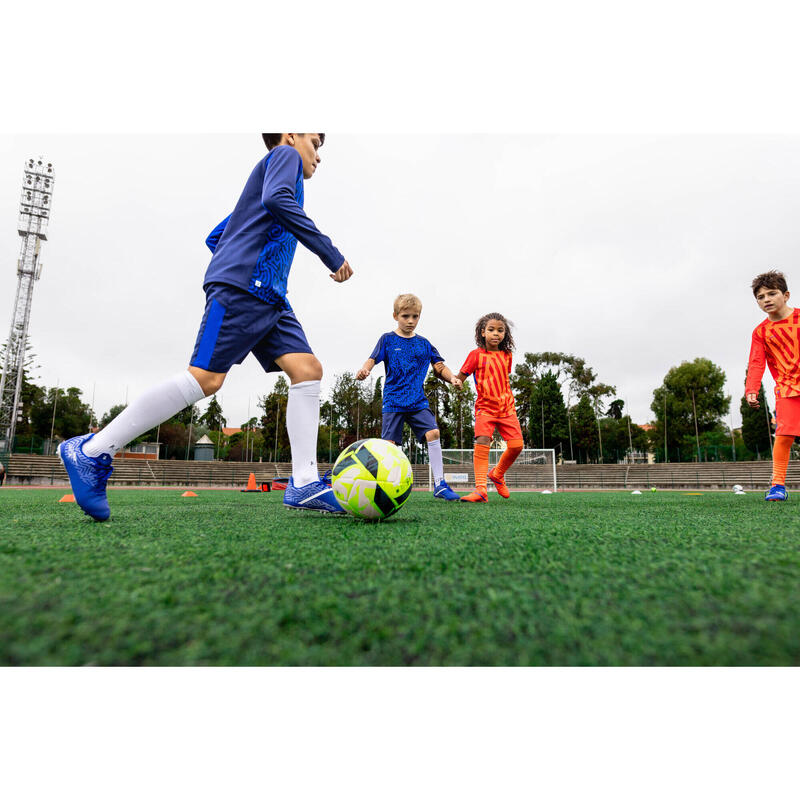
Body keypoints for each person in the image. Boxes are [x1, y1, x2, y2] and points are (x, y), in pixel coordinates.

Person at [59, 133, 352, 520]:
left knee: (307, 370)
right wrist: (329, 253)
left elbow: (218, 236)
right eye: (315, 141)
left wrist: (240, 254)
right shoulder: (285, 156)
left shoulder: (271, 178)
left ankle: (303, 482)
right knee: (205, 379)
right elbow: (276, 201)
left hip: (269, 297)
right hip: (243, 288)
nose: (319, 154)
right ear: (291, 134)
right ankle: (92, 450)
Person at [356, 293, 462, 501]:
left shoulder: (424, 344)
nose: (410, 321)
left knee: (433, 433)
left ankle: (440, 484)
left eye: (415, 316)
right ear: (395, 315)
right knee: (389, 447)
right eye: (405, 316)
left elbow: (439, 366)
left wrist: (453, 379)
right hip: (393, 401)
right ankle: (385, 489)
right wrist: (364, 370)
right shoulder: (387, 339)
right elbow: (372, 359)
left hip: (417, 401)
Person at [455, 313, 524, 503]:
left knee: (517, 446)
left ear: (505, 334)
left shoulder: (507, 356)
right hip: (485, 409)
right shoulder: (475, 355)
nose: (496, 334)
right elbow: (460, 377)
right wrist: (456, 383)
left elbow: (503, 378)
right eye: (491, 330)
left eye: (500, 330)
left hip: (507, 408)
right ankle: (480, 490)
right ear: (482, 332)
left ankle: (497, 473)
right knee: (482, 441)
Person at [745, 269, 800, 501]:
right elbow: (756, 363)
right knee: (784, 436)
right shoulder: (760, 332)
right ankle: (778, 486)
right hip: (787, 389)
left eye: (771, 293)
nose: (766, 299)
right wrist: (751, 389)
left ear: (785, 295)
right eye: (760, 296)